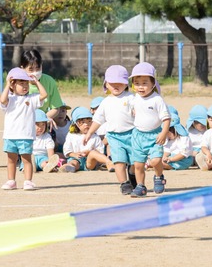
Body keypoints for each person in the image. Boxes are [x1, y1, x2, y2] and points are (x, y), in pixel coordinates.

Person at [83, 65, 137, 194]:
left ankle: (133, 176)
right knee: (119, 162)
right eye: (112, 83)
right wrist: (90, 133)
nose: (116, 86)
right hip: (114, 136)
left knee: (135, 162)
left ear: (126, 84)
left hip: (133, 135)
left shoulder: (131, 98)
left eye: (120, 83)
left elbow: (139, 112)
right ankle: (124, 183)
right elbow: (98, 119)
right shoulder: (106, 102)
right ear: (106, 84)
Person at [0, 66, 47, 190]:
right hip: (10, 136)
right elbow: (2, 100)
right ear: (12, 85)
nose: (25, 86)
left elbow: (44, 95)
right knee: (11, 160)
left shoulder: (31, 98)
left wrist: (36, 82)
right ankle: (11, 181)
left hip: (25, 136)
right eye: (21, 83)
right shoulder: (10, 99)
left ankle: (28, 181)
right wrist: (7, 85)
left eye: (26, 83)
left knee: (26, 159)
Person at [127, 62, 170, 197]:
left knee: (155, 161)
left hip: (155, 136)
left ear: (153, 83)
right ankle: (141, 186)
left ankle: (159, 177)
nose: (140, 86)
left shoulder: (157, 100)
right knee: (138, 165)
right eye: (137, 83)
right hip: (138, 136)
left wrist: (164, 133)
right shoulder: (133, 99)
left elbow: (167, 118)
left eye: (145, 83)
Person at [20, 47, 66, 127]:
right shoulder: (18, 83)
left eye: (38, 68)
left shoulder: (49, 81)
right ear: (22, 68)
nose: (35, 72)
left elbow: (55, 108)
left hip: (42, 125)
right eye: (31, 69)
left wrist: (42, 120)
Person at [62, 107, 110, 172]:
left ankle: (109, 163)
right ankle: (69, 167)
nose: (86, 124)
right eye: (82, 122)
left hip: (90, 161)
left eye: (89, 121)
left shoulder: (95, 137)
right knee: (74, 162)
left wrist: (89, 152)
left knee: (93, 153)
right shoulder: (71, 135)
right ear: (76, 124)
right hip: (76, 158)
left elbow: (100, 151)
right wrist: (75, 154)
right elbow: (67, 150)